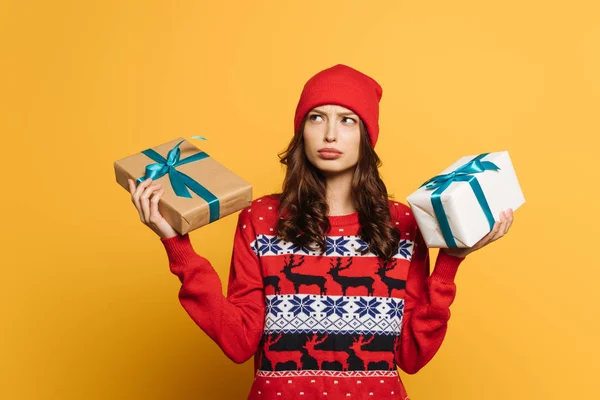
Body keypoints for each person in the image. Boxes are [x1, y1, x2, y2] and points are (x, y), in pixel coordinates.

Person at [127, 64, 514, 400]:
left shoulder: (403, 224)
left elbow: (412, 356)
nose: (330, 134)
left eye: (347, 120)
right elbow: (238, 341)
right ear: (302, 132)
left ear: (366, 134)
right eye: (317, 117)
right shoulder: (261, 217)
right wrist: (177, 247)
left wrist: (450, 261)